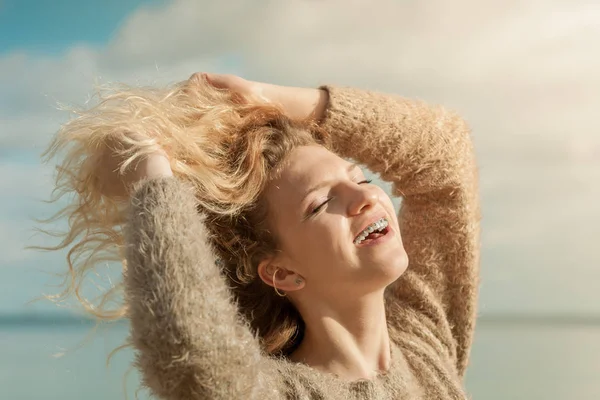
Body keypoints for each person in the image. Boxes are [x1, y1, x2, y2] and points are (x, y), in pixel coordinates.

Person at [43, 72, 480, 399]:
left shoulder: (425, 344)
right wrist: (151, 176)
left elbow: (445, 156)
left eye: (360, 178)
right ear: (283, 272)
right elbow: (196, 357)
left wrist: (272, 100)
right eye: (320, 203)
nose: (363, 198)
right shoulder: (276, 391)